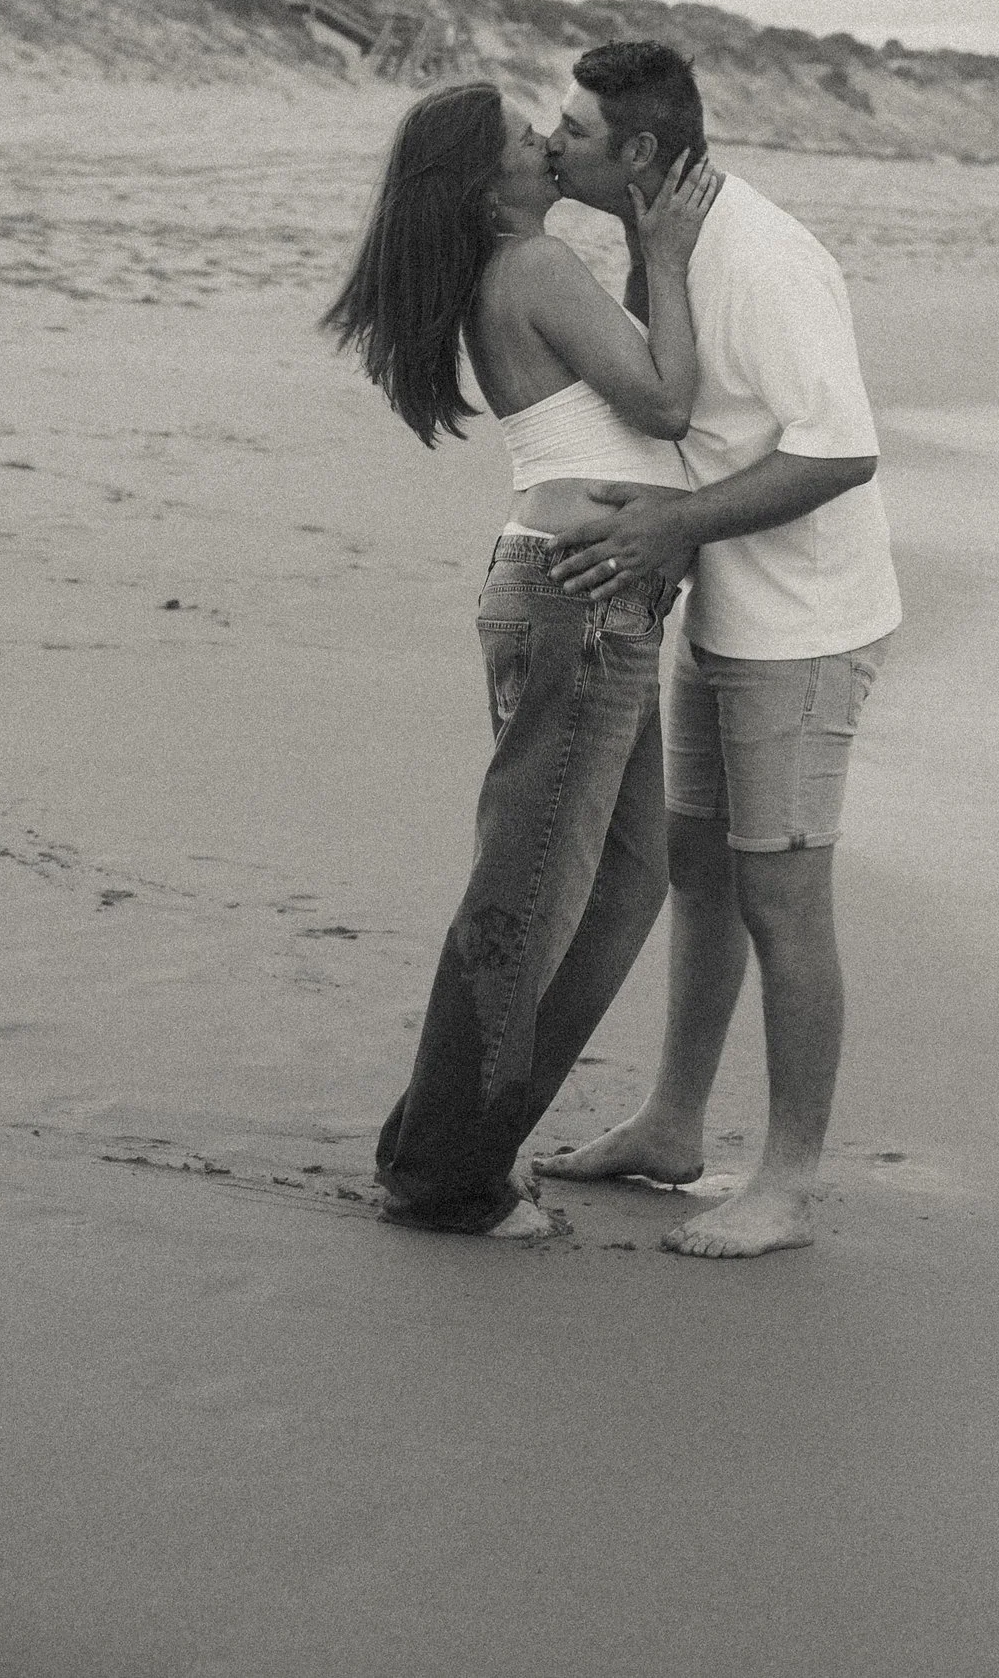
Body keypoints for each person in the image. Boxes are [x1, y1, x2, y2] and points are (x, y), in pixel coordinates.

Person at [321, 81, 719, 1238]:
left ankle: (460, 1139)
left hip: (582, 593)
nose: (549, 146)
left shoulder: (528, 271)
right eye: (524, 142)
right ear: (485, 188)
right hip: (574, 599)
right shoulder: (533, 268)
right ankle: (444, 1176)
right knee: (532, 887)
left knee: (627, 877)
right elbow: (668, 402)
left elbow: (629, 379)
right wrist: (676, 254)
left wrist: (646, 258)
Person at [535, 39, 901, 1256]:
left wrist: (670, 532)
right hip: (730, 611)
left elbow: (840, 450)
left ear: (639, 152)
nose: (553, 143)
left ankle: (788, 1181)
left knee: (783, 897)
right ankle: (673, 1124)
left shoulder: (767, 256)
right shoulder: (668, 241)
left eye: (576, 131)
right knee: (701, 870)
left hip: (804, 626)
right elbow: (673, 405)